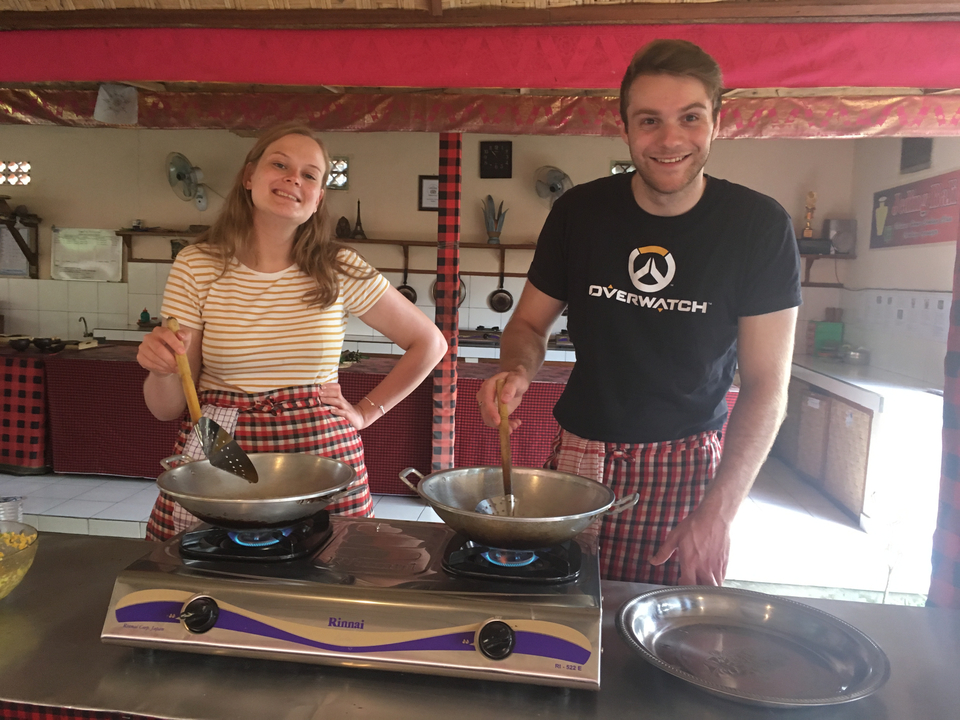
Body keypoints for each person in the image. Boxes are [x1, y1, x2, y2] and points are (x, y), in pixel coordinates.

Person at [476, 39, 801, 586]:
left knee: (662, 626)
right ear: (624, 126)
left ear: (716, 122)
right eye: (649, 120)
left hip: (685, 467)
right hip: (579, 453)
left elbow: (768, 385)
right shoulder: (579, 212)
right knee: (558, 609)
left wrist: (720, 511)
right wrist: (518, 370)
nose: (670, 139)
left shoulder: (759, 226)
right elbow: (528, 324)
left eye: (690, 117)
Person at [140, 122, 446, 541]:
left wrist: (367, 412)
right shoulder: (197, 265)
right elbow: (167, 408)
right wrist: (161, 371)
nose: (293, 179)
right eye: (280, 165)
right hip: (223, 445)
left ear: (318, 198)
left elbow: (430, 343)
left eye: (309, 174)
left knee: (332, 563)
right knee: (206, 563)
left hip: (321, 447)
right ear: (249, 176)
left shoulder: (340, 267)